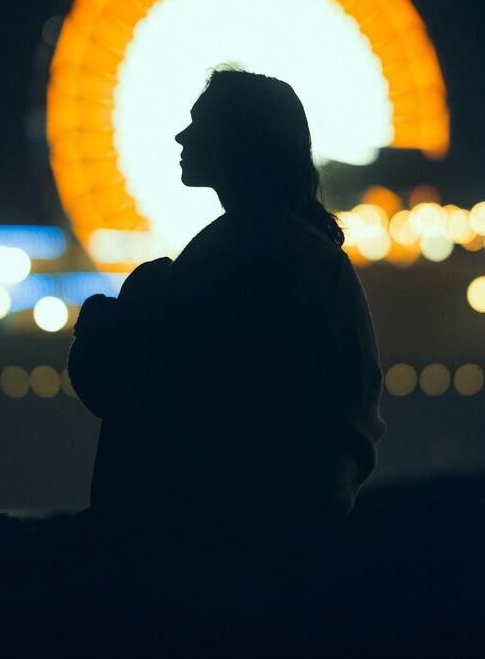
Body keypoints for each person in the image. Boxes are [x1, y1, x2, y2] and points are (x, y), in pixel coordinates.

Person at [66, 68, 386, 636]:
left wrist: (109, 316)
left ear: (241, 141)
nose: (181, 139)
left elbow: (122, 380)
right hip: (297, 517)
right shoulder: (297, 247)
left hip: (232, 547)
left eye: (199, 125)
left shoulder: (243, 251)